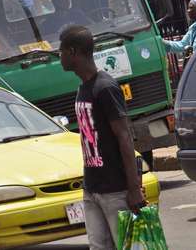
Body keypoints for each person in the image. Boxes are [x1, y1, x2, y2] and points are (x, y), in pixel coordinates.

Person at [59, 26, 145, 250]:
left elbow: (124, 136)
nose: (60, 57)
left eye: (61, 51)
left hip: (115, 189)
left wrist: (134, 188)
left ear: (73, 51)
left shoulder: (105, 87)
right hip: (92, 187)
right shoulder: (83, 89)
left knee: (127, 246)